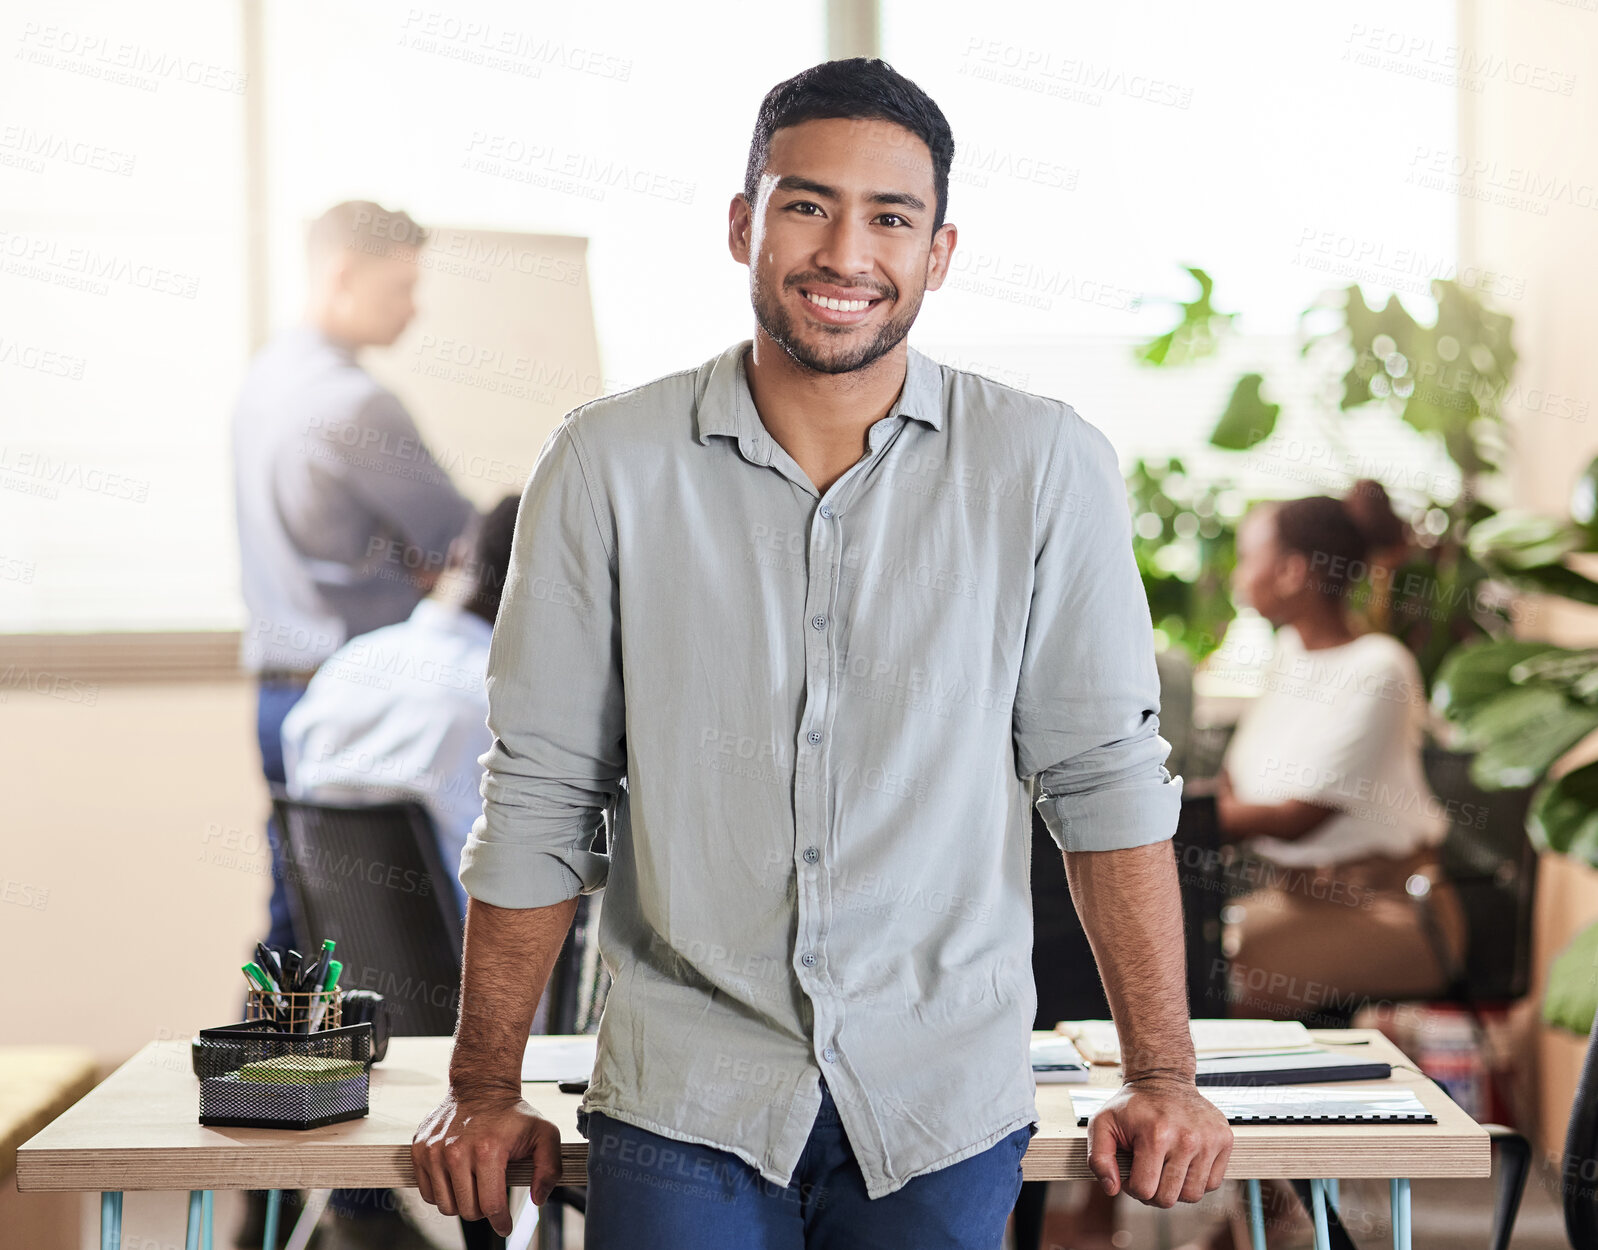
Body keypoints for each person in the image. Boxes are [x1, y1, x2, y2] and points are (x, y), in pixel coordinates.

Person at [413, 59, 1231, 1249]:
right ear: (745, 223)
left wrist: (1161, 1070)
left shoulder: (1046, 466)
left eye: (889, 217)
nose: (845, 252)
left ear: (937, 252)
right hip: (684, 1092)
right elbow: (541, 786)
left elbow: (1103, 777)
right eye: (806, 204)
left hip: (939, 1096)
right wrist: (485, 1087)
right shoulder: (604, 465)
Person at [229, 200, 476, 1250]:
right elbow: (460, 548)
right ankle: (350, 1195)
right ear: (342, 276)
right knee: (361, 943)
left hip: (282, 693)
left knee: (300, 939)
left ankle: (282, 1188)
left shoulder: (264, 382)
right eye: (400, 286)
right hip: (360, 692)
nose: (412, 309)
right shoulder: (355, 400)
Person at [1215, 480, 1466, 1026]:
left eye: (1247, 557)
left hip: (1392, 911)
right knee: (1173, 950)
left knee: (1207, 976)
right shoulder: (1288, 655)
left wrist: (1176, 822)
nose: (1238, 575)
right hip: (1294, 901)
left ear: (1293, 571)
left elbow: (1297, 819)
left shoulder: (1380, 668)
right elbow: (1234, 782)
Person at [281, 494, 520, 920]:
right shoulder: (505, 711)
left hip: (343, 967)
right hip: (475, 976)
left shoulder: (346, 667)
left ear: (459, 554)